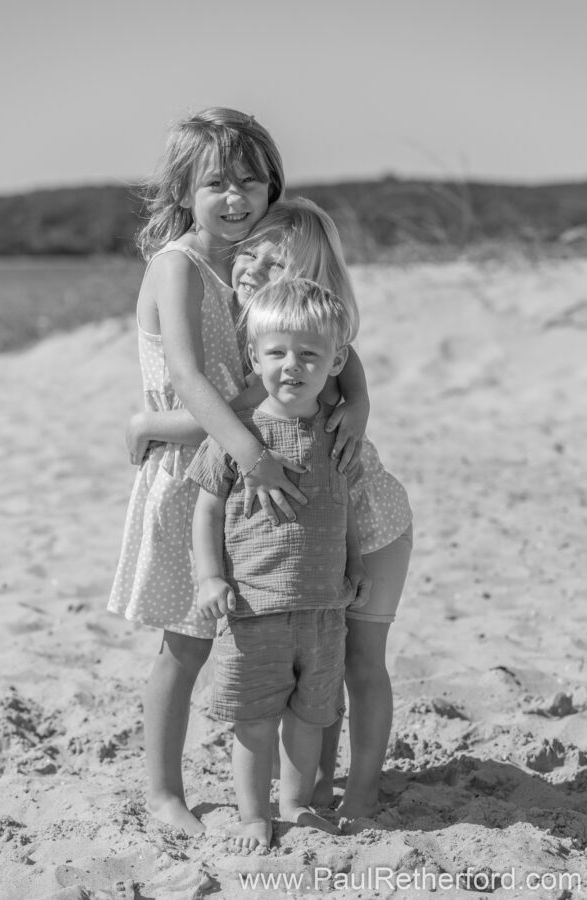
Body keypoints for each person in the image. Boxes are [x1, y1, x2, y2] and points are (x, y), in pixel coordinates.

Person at [129, 197, 413, 821]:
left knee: (353, 662)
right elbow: (234, 410)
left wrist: (148, 423)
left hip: (367, 523)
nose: (253, 266)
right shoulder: (277, 338)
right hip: (307, 530)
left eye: (274, 260)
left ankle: (353, 792)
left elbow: (229, 414)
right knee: (314, 662)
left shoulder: (303, 341)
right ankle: (310, 792)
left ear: (305, 276)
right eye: (248, 251)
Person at [108, 108, 312, 836]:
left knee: (269, 633)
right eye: (218, 183)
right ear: (182, 191)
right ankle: (164, 791)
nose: (236, 197)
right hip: (196, 474)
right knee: (187, 641)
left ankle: (282, 780)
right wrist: (249, 451)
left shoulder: (253, 263)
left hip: (245, 467)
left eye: (252, 182)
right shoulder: (178, 265)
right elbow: (193, 382)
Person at [188, 278, 371, 850]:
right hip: (254, 609)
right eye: (277, 353)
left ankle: (295, 805)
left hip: (324, 610)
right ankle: (252, 815)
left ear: (336, 361)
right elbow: (206, 510)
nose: (292, 366)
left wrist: (356, 563)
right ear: (255, 357)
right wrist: (209, 576)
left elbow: (346, 507)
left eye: (309, 354)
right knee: (255, 721)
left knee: (311, 717)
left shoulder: (339, 434)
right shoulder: (237, 435)